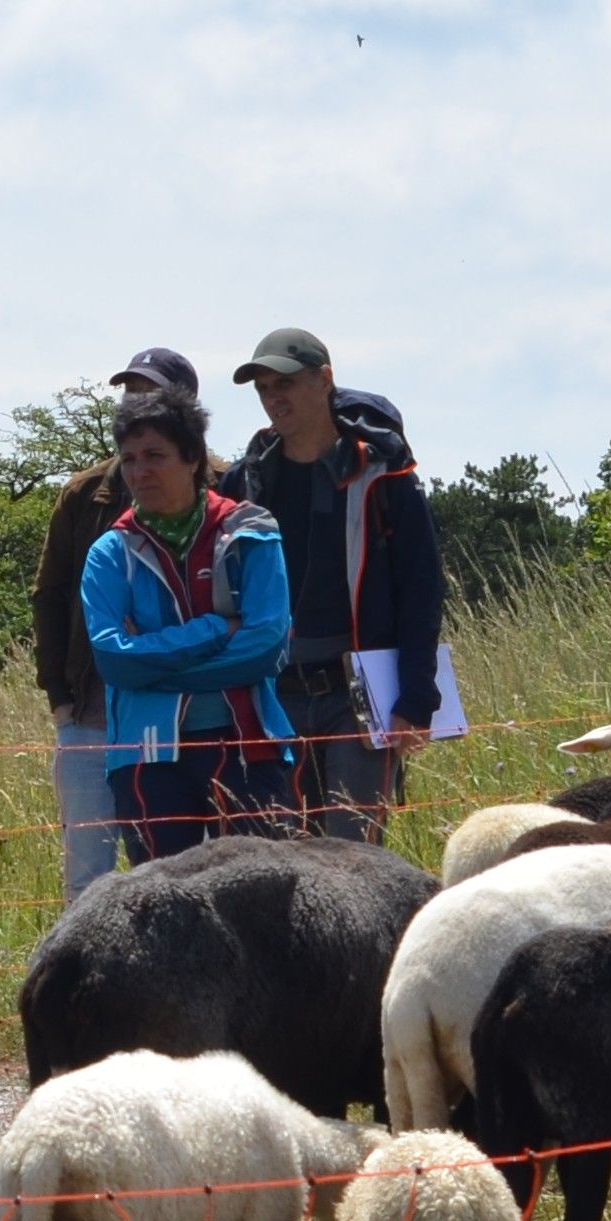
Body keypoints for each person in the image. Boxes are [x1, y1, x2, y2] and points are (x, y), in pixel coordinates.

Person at [218, 330, 445, 847]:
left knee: (355, 859)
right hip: (273, 696)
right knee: (279, 859)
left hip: (360, 695)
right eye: (263, 388)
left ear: (324, 381)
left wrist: (416, 696)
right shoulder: (244, 483)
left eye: (286, 383)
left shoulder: (385, 474)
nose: (274, 398)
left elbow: (422, 589)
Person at [80, 392, 296, 858]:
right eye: (130, 459)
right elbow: (114, 661)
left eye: (155, 456)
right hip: (145, 757)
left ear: (193, 457)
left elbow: (265, 646)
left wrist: (153, 666)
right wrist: (217, 630)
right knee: (163, 912)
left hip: (247, 746)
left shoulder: (251, 532)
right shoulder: (109, 553)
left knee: (258, 905)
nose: (140, 472)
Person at [29, 351, 186, 901]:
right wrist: (59, 700)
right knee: (87, 880)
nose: (134, 403)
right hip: (90, 712)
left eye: (150, 393)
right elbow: (48, 595)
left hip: (180, 715)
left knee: (177, 870)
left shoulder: (219, 485)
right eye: (129, 392)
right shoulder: (83, 492)